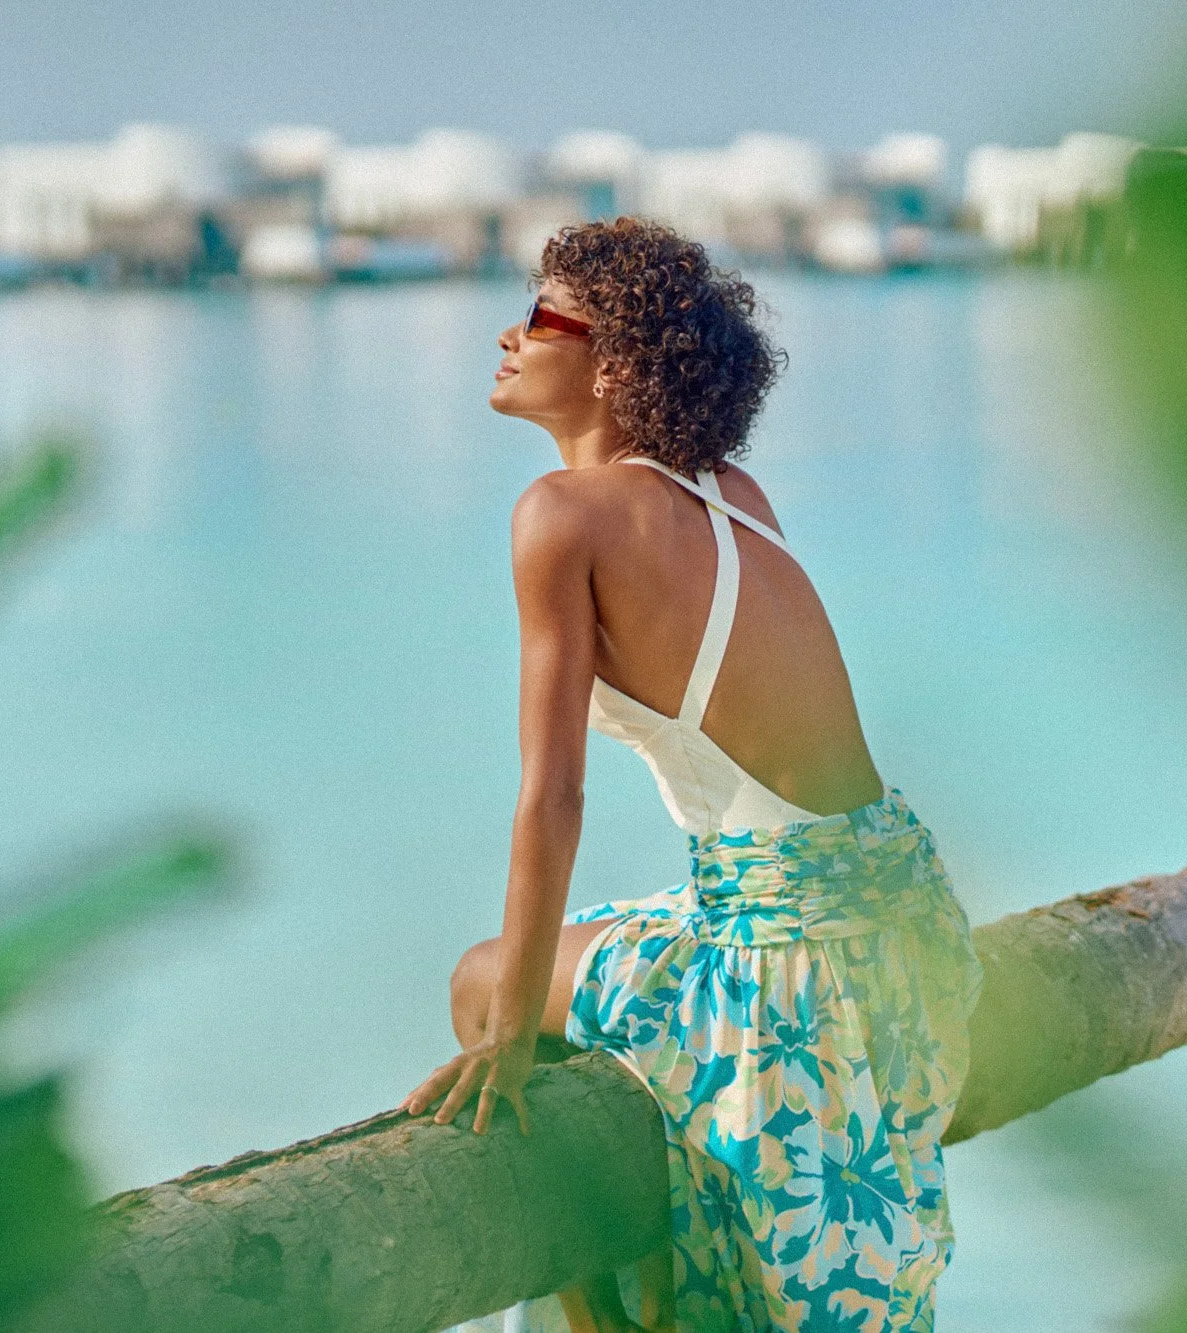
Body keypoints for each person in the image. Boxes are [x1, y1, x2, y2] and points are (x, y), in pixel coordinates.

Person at [403, 218, 982, 1333]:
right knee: (569, 966)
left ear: (611, 362)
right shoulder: (731, 491)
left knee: (482, 986)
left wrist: (514, 1037)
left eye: (538, 316)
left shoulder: (558, 516)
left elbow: (552, 797)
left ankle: (598, 1320)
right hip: (898, 913)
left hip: (780, 966)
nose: (507, 333)